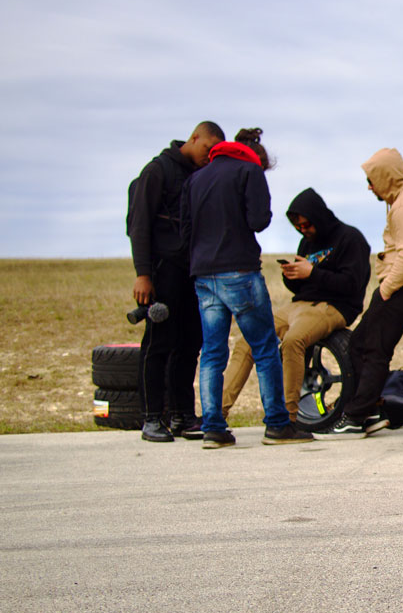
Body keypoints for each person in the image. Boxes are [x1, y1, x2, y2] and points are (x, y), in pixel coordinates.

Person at [180, 128, 312, 448]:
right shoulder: (249, 170)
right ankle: (278, 425)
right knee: (265, 347)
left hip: (204, 276)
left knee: (212, 352)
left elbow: (185, 230)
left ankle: (213, 427)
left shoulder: (195, 179)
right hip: (239, 271)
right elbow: (259, 220)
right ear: (257, 157)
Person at [221, 188, 370, 429]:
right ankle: (217, 414)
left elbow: (351, 285)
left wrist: (313, 273)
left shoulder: (351, 239)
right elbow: (298, 287)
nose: (304, 230)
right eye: (298, 227)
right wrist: (292, 276)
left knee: (293, 341)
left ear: (319, 216)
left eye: (307, 224)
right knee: (247, 341)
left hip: (334, 307)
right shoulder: (306, 242)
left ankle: (288, 418)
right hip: (298, 304)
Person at [329, 147, 403, 437]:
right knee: (360, 342)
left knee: (372, 350)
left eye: (372, 179)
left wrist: (386, 289)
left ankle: (358, 417)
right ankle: (370, 409)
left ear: (386, 176)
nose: (370, 186)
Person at [128, 121, 224, 442]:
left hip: (191, 274)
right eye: (207, 149)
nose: (209, 157)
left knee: (189, 344)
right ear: (193, 138)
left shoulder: (198, 175)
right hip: (160, 273)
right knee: (158, 345)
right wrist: (143, 274)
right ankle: (152, 418)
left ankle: (182, 415)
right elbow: (139, 224)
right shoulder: (157, 171)